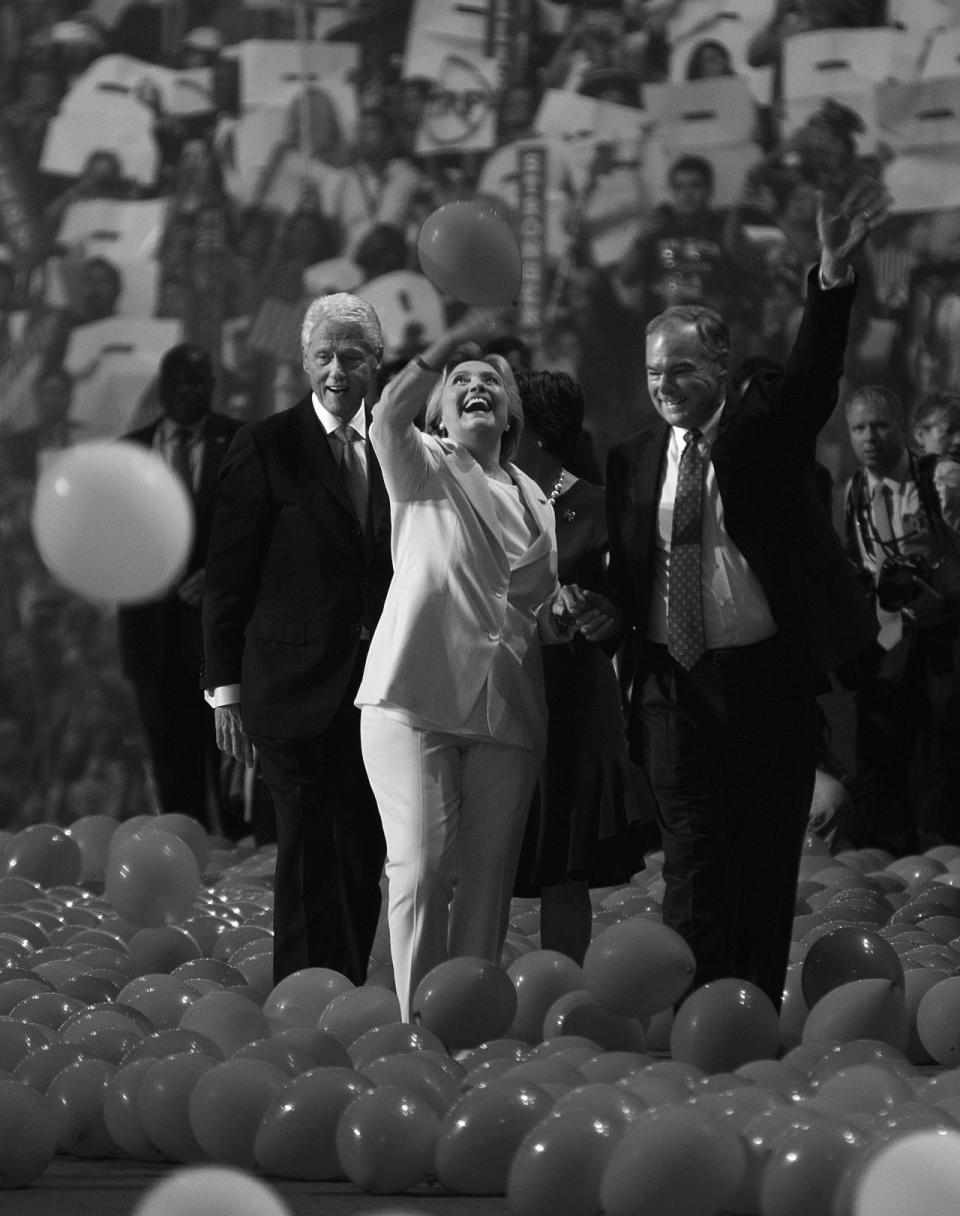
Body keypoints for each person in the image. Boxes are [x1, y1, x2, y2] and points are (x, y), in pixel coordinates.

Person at [595, 173, 890, 1009]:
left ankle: (747, 1009)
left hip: (766, 682)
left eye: (683, 367)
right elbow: (628, 573)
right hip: (670, 686)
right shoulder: (632, 461)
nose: (666, 383)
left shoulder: (764, 433)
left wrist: (831, 279)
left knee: (762, 857)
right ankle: (697, 1011)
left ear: (720, 364)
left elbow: (812, 378)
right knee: (692, 855)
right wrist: (599, 611)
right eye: (655, 370)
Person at [355, 314, 594, 1019]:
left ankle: (465, 1026)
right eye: (462, 381)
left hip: (507, 709)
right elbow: (387, 416)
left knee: (488, 883)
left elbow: (527, 611)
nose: (477, 386)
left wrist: (572, 614)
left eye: (492, 380)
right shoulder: (422, 463)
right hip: (414, 697)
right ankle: (414, 1025)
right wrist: (438, 352)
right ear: (439, 408)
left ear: (513, 414)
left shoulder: (538, 503)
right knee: (422, 869)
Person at [202, 292, 392, 985]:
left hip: (380, 692)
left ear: (376, 361)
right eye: (324, 355)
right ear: (304, 361)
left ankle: (346, 991)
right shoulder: (265, 446)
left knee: (361, 849)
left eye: (352, 355)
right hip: (287, 691)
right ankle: (303, 1000)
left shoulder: (402, 449)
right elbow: (227, 581)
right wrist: (225, 693)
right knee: (307, 846)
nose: (337, 369)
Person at [512, 369, 655, 964]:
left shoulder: (594, 505)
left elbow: (624, 602)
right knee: (482, 858)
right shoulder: (479, 492)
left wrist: (597, 612)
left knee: (563, 865)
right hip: (497, 690)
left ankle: (561, 993)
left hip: (571, 699)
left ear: (534, 432)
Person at [117, 343, 240, 832]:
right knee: (170, 760)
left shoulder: (242, 441)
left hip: (222, 633)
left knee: (231, 761)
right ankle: (181, 855)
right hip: (153, 634)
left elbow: (258, 525)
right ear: (163, 388)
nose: (191, 391)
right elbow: (109, 537)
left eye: (200, 380)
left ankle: (243, 871)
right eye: (180, 381)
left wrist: (218, 573)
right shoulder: (125, 453)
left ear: (212, 385)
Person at [843, 384, 960, 851]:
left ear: (903, 431)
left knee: (947, 751)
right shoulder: (853, 490)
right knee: (882, 754)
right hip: (895, 635)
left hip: (948, 630)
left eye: (880, 426)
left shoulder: (941, 479)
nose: (869, 437)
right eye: (859, 428)